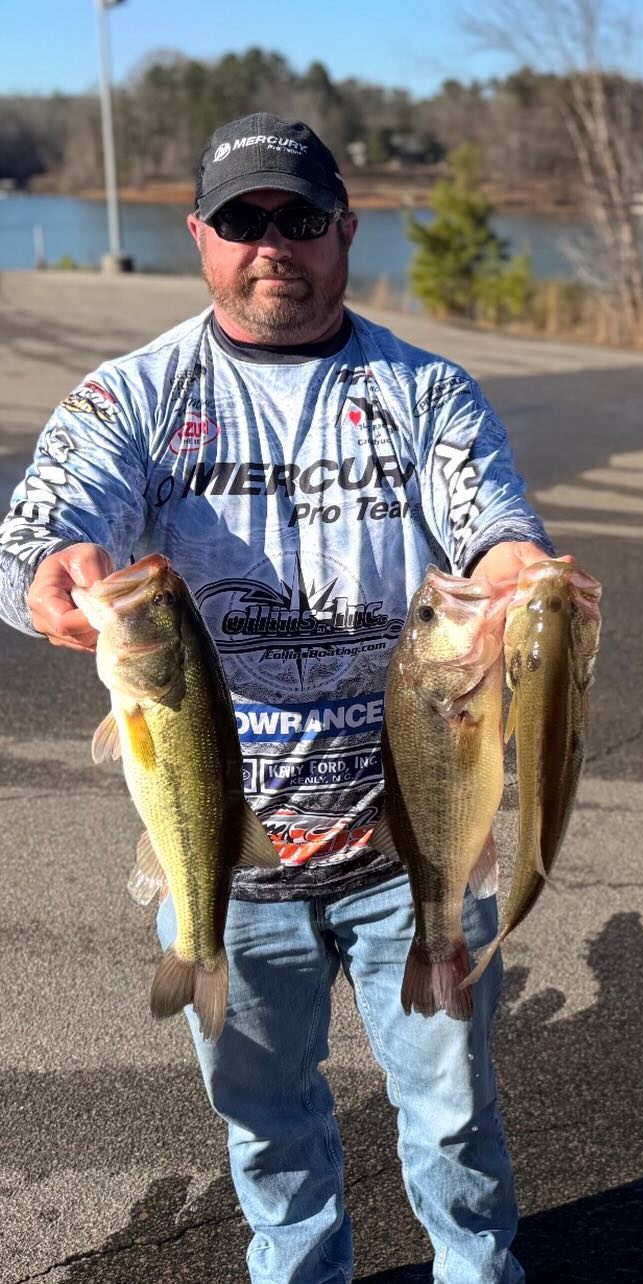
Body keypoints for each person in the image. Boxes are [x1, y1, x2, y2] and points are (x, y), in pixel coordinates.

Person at [0, 113, 548, 1284]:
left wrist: (515, 576)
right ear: (198, 234)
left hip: (416, 845)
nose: (272, 246)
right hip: (228, 866)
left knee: (452, 1121)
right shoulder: (132, 398)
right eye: (242, 221)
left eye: (299, 219)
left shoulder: (425, 391)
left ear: (346, 230)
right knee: (267, 1130)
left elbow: (493, 521)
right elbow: (46, 522)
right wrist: (48, 569)